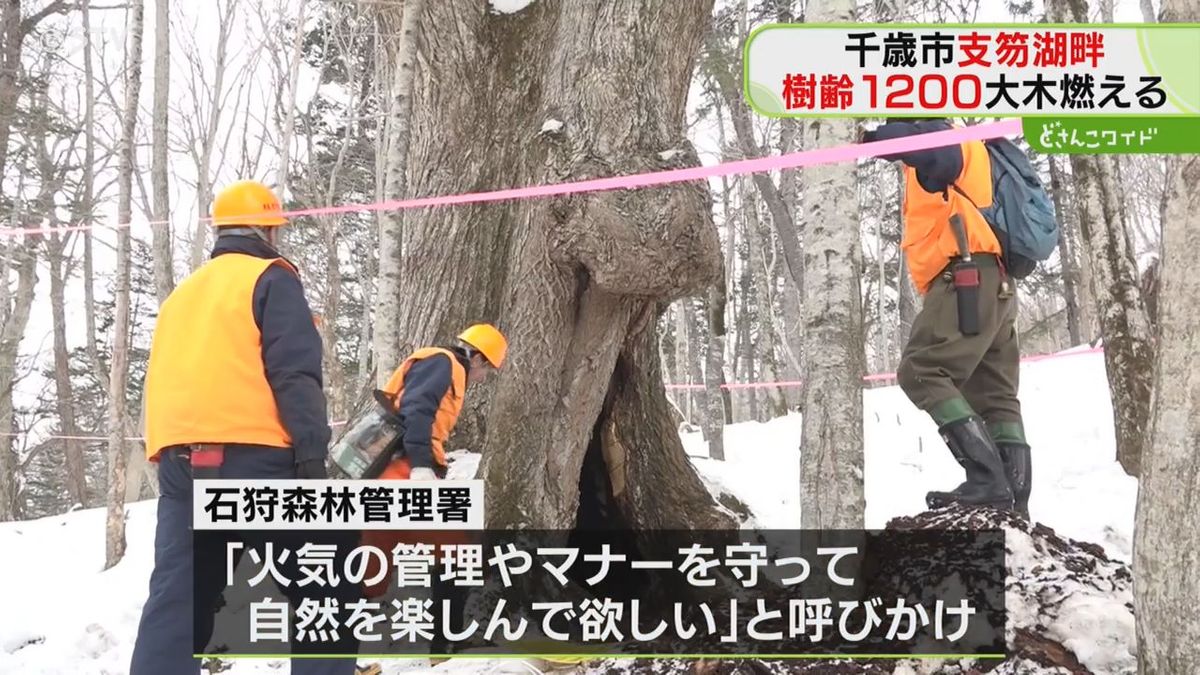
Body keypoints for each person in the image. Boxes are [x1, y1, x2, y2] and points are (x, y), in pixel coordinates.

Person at [130, 180, 358, 674]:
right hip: (254, 458)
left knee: (179, 595)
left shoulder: (183, 295)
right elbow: (294, 372)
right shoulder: (272, 278)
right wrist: (312, 456)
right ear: (267, 230)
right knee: (326, 577)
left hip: (180, 464)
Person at [862, 119, 1031, 517]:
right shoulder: (979, 152)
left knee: (921, 370)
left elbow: (925, 144)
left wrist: (864, 139)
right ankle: (1014, 497)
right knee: (995, 395)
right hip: (997, 284)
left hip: (966, 277)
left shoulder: (948, 139)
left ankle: (987, 480)